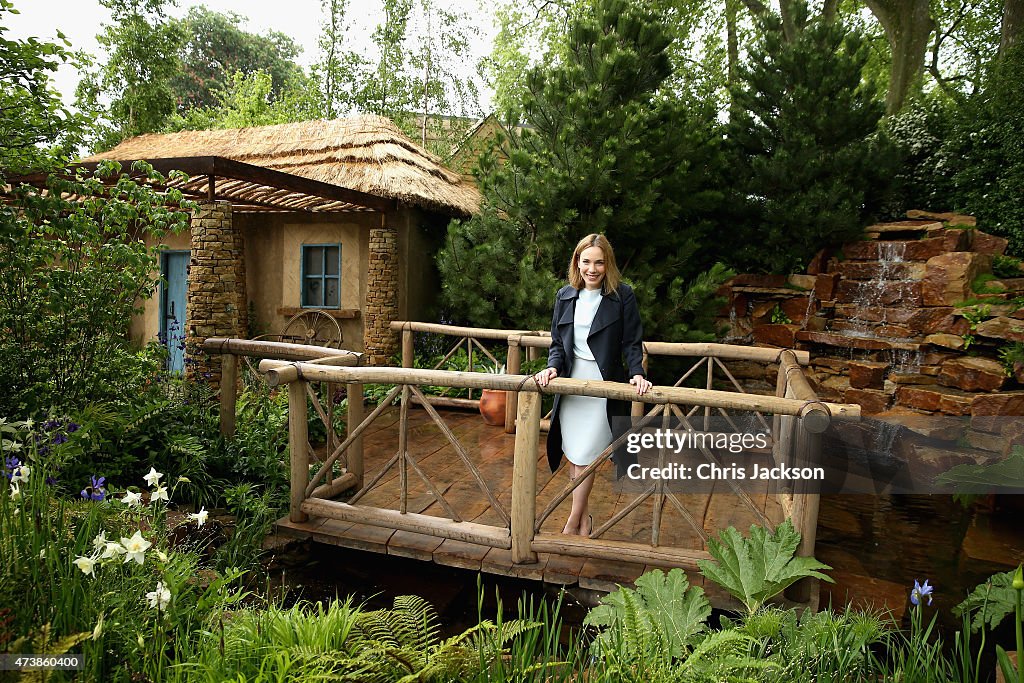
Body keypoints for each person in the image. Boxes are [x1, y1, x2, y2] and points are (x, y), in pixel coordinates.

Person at [534, 233, 651, 536]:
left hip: (602, 385)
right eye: (586, 261)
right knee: (575, 456)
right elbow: (558, 344)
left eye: (599, 262)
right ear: (577, 262)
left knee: (586, 457)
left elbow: (631, 341)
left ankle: (572, 520)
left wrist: (636, 372)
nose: (592, 268)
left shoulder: (621, 295)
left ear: (607, 264)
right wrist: (551, 368)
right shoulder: (564, 296)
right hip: (572, 385)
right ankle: (584, 520)